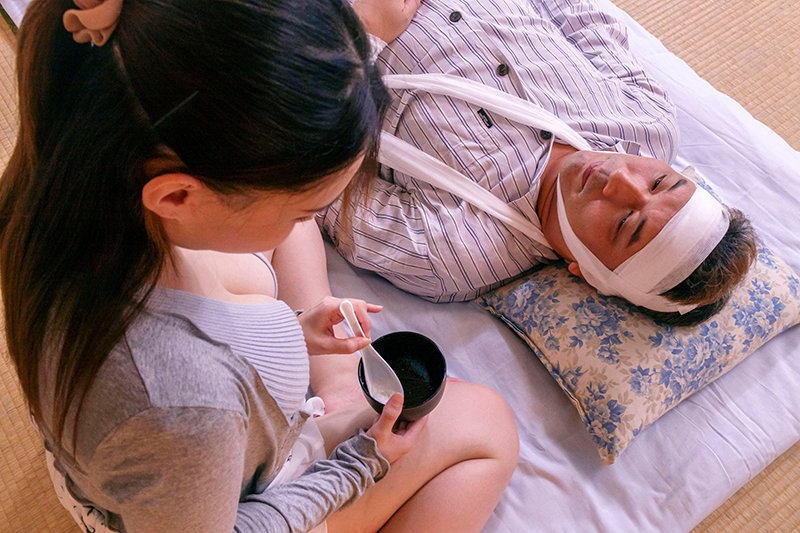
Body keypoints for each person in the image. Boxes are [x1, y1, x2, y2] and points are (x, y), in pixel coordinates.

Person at [0, 1, 519, 532]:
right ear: (178, 196)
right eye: (306, 209)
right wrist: (360, 464)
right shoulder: (183, 404)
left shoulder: (71, 172)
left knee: (280, 238)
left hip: (173, 455)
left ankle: (336, 387)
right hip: (211, 499)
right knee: (485, 424)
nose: (310, 219)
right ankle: (336, 403)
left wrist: (295, 330)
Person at [319, 0, 757, 326]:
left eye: (625, 223)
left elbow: (304, 171)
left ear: (587, 273)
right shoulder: (648, 123)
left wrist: (368, 33)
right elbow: (579, 16)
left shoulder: (453, 254)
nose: (620, 179)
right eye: (659, 182)